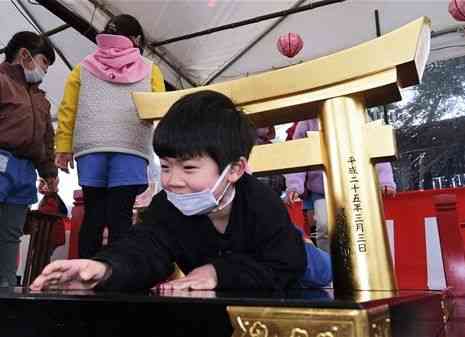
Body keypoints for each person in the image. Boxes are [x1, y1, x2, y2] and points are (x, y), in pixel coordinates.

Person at [30, 90, 332, 291]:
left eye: (189, 168)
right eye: (165, 167)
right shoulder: (167, 206)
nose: (173, 180)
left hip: (293, 259)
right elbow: (145, 247)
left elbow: (285, 264)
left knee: (323, 271)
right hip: (244, 280)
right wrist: (104, 268)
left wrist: (217, 273)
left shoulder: (261, 203)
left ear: (235, 170)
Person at [54, 14, 166, 259]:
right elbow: (159, 109)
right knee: (121, 217)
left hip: (90, 148)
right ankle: (116, 278)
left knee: (93, 213)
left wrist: (63, 146)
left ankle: (84, 276)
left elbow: (68, 110)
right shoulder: (151, 70)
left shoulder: (82, 68)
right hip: (131, 147)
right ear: (136, 39)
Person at [285, 119, 397, 252]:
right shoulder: (307, 122)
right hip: (322, 190)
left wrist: (384, 180)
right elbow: (300, 155)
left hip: (354, 186)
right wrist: (294, 185)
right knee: (325, 226)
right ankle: (330, 264)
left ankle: (359, 260)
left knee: (359, 226)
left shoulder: (357, 114)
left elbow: (374, 148)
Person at [0, 31, 57, 287]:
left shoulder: (41, 99)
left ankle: (6, 288)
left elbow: (46, 139)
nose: (45, 70)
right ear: (25, 55)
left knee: (11, 233)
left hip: (25, 170)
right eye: (44, 62)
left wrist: (50, 173)